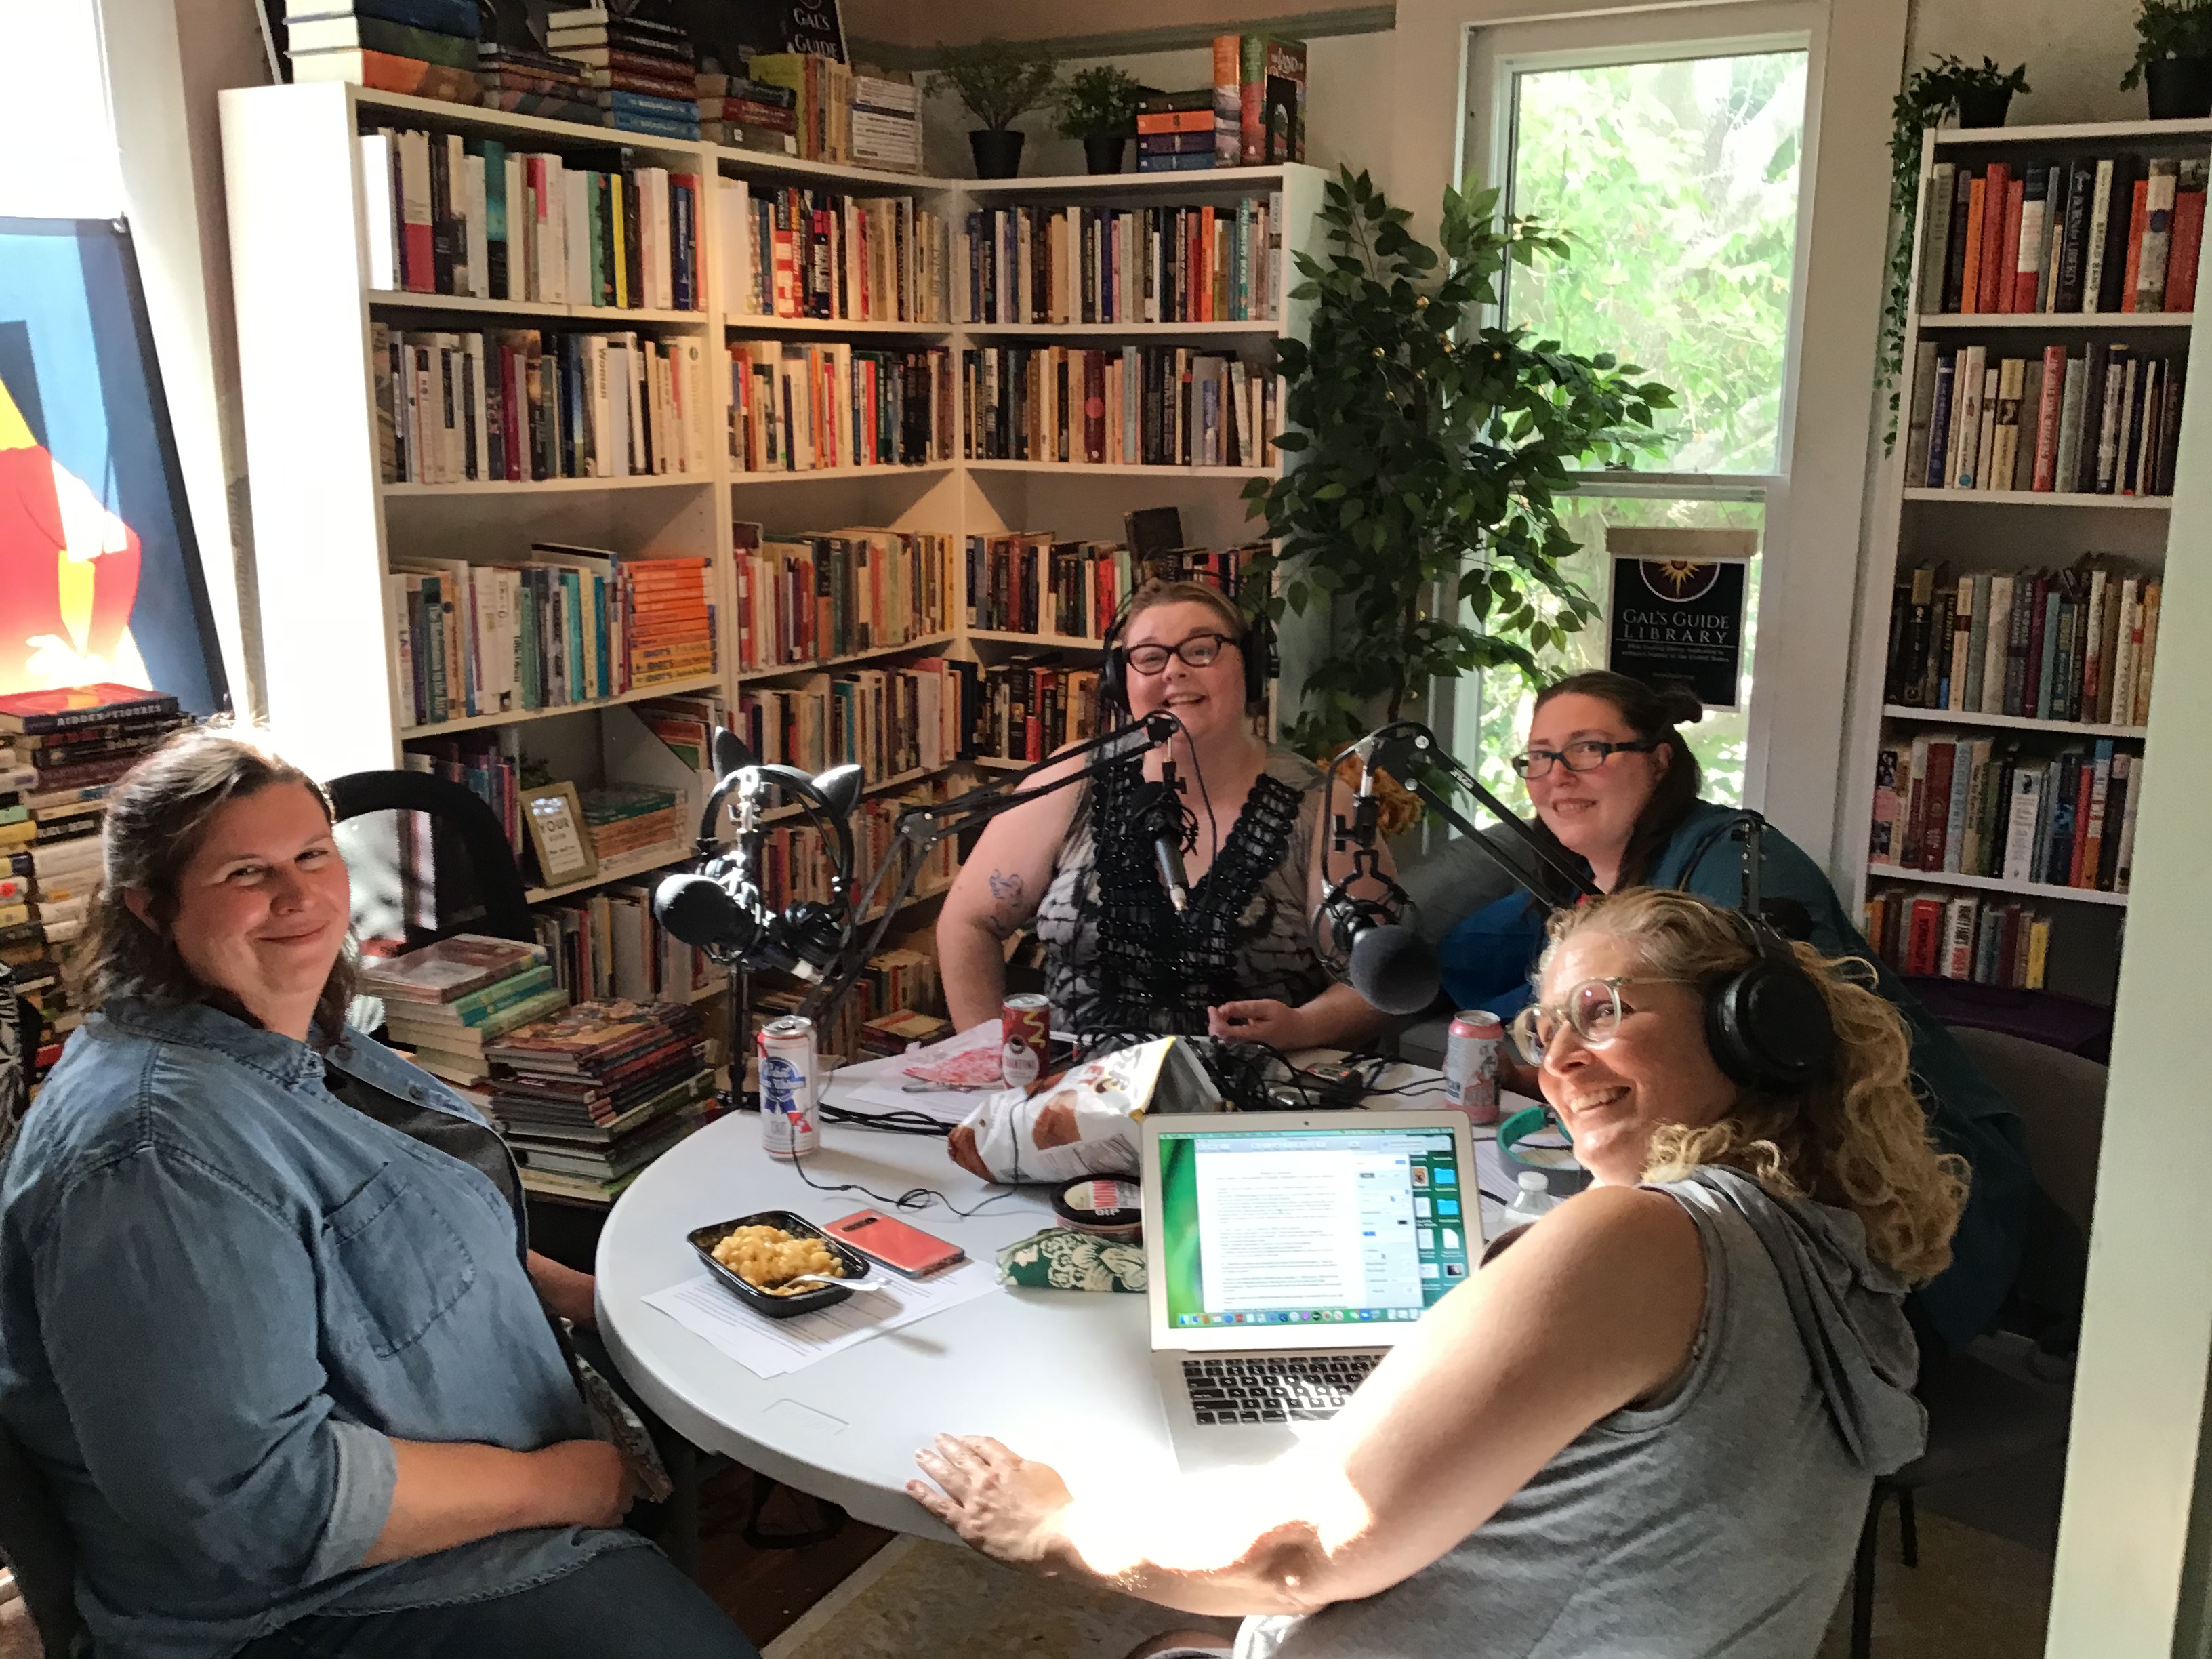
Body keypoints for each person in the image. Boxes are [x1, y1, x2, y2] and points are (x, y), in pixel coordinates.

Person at [911, 888, 1965, 1657]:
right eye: (1546, 1029)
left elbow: (1295, 1552)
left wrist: (1055, 1527)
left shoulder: (1642, 1237)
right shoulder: (1826, 1256)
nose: (1559, 1062)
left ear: (1747, 1027)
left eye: (1604, 1010)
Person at [0, 731, 757, 1659]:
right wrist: (565, 1485)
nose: (298, 896)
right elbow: (259, 1504)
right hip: (310, 1604)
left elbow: (384, 1239)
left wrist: (597, 1301)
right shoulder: (155, 1160)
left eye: (313, 855)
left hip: (443, 1506)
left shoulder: (280, 1039)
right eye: (246, 873)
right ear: (150, 907)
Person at [1434, 670, 2028, 1355]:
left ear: (1660, 761)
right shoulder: (1585, 885)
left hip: (1888, 1217)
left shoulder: (1738, 867)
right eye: (1540, 756)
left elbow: (1789, 1066)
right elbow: (1457, 961)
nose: (1557, 776)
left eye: (1588, 749)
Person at [937, 579, 1391, 1049]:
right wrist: (993, 1059)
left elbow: (1378, 980)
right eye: (1151, 657)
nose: (1174, 671)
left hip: (1256, 1085)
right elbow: (966, 924)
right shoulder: (1073, 780)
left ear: (1251, 668)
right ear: (1121, 682)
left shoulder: (1323, 806)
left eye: (1201, 650)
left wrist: (1304, 1027)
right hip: (1075, 1086)